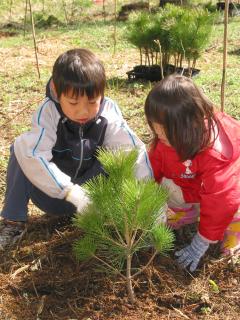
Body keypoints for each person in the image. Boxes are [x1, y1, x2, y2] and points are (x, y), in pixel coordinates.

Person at [0, 48, 152, 250]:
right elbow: (34, 156)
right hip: (53, 194)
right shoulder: (48, 113)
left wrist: (151, 204)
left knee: (119, 156)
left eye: (92, 102)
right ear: (56, 90)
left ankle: (112, 220)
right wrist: (71, 193)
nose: (83, 111)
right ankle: (13, 221)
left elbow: (131, 151)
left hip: (96, 198)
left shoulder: (108, 111)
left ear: (102, 92)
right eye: (73, 102)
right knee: (22, 149)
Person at [145, 74, 240, 272]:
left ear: (190, 127)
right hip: (195, 185)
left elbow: (222, 198)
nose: (159, 136)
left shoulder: (216, 152)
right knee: (164, 187)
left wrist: (202, 241)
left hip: (229, 190)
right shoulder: (167, 140)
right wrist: (150, 206)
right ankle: (189, 211)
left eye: (165, 132)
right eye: (156, 131)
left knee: (229, 203)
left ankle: (234, 226)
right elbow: (150, 170)